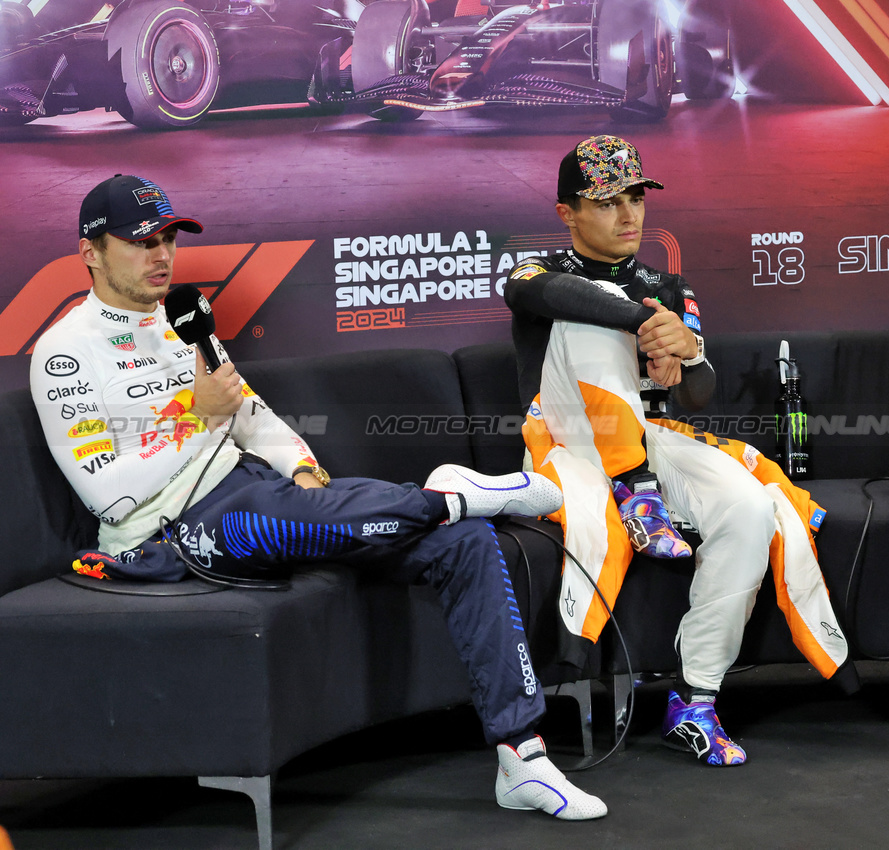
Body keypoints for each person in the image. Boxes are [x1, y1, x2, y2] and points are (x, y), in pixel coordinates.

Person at [31, 174, 607, 820]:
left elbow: (248, 414)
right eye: (141, 242)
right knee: (280, 519)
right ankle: (449, 496)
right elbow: (108, 497)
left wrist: (300, 463)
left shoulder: (182, 321)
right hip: (168, 536)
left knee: (464, 543)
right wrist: (197, 417)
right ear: (91, 253)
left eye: (168, 238)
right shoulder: (63, 353)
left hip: (258, 492)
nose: (161, 255)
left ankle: (520, 755)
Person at [504, 136, 851, 767]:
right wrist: (642, 322)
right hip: (568, 445)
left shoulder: (668, 282)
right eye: (607, 201)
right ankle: (636, 494)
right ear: (567, 212)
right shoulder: (537, 272)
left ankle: (696, 701)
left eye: (635, 197)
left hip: (654, 438)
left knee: (749, 509)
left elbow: (698, 395)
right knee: (593, 314)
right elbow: (546, 298)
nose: (629, 214)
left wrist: (686, 353)